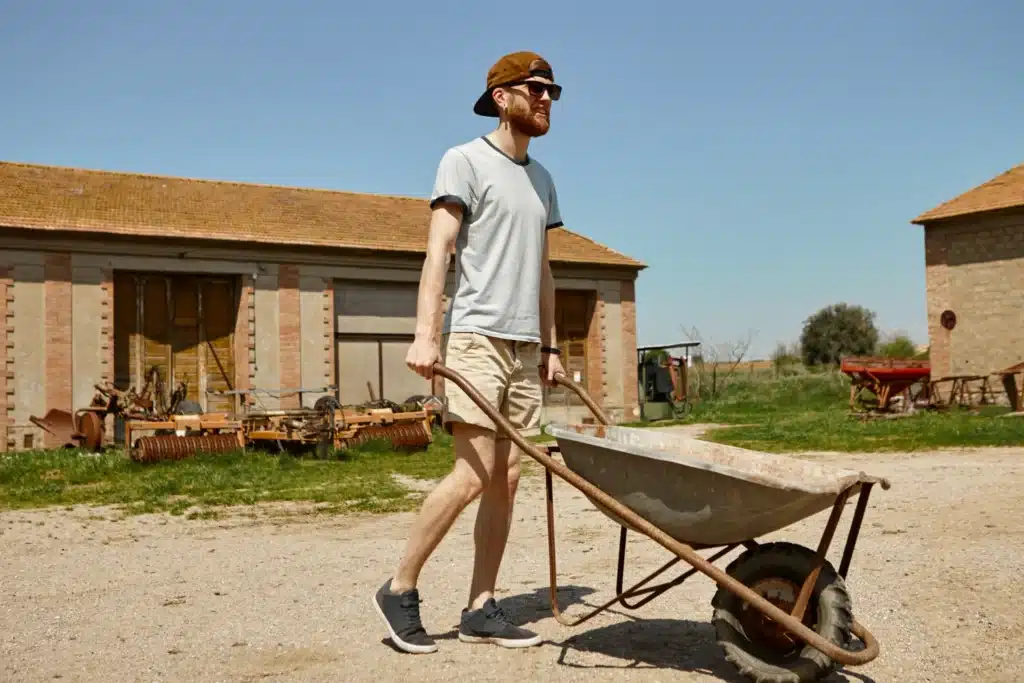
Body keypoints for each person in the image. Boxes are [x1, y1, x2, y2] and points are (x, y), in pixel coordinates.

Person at [372, 50, 567, 654]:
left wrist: (551, 345)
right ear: (502, 98)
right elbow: (440, 251)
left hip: (524, 346)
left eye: (552, 91)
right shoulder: (463, 160)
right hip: (477, 337)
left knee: (507, 475)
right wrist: (426, 333)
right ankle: (398, 587)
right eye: (535, 88)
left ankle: (482, 606)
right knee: (474, 472)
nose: (546, 99)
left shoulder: (542, 180)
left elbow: (544, 272)